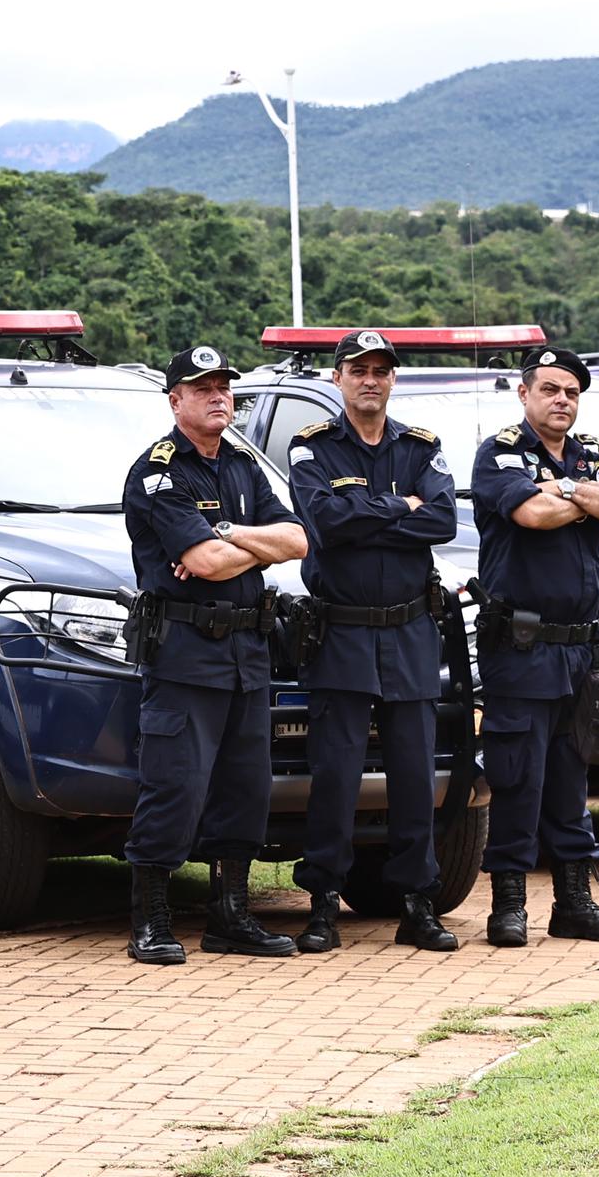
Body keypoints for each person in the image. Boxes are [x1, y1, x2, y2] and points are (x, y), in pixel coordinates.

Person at [114, 343, 310, 965]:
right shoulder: (158, 471)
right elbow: (202, 562)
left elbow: (300, 540)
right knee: (174, 788)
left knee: (244, 789)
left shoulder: (244, 466)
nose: (218, 395)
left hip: (248, 654)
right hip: (184, 654)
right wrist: (247, 544)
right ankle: (151, 918)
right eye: (202, 387)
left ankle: (230, 917)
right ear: (175, 400)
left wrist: (231, 534)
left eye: (223, 385)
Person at [286, 331, 464, 951]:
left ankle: (418, 902)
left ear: (393, 380)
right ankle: (322, 904)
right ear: (337, 379)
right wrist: (401, 508)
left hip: (411, 631)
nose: (370, 379)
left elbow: (442, 520)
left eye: (381, 370)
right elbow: (327, 525)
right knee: (335, 775)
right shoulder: (311, 449)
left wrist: (372, 508)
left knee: (416, 776)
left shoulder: (421, 446)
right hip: (342, 632)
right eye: (358, 369)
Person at [464, 349, 599, 948]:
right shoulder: (500, 452)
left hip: (582, 649)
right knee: (518, 777)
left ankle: (574, 904)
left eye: (570, 391)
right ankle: (507, 905)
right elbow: (533, 515)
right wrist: (581, 496)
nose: (561, 399)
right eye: (549, 389)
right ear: (524, 394)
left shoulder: (587, 453)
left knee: (572, 777)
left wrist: (567, 485)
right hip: (522, 644)